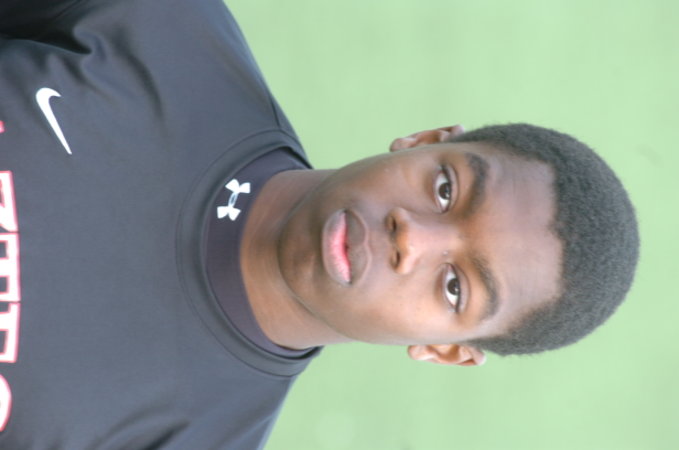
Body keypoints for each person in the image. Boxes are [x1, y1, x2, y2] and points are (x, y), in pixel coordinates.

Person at [0, 0, 639, 449]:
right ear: (425, 140)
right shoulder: (159, 25)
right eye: (445, 189)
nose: (412, 237)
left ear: (445, 350)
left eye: (454, 287)